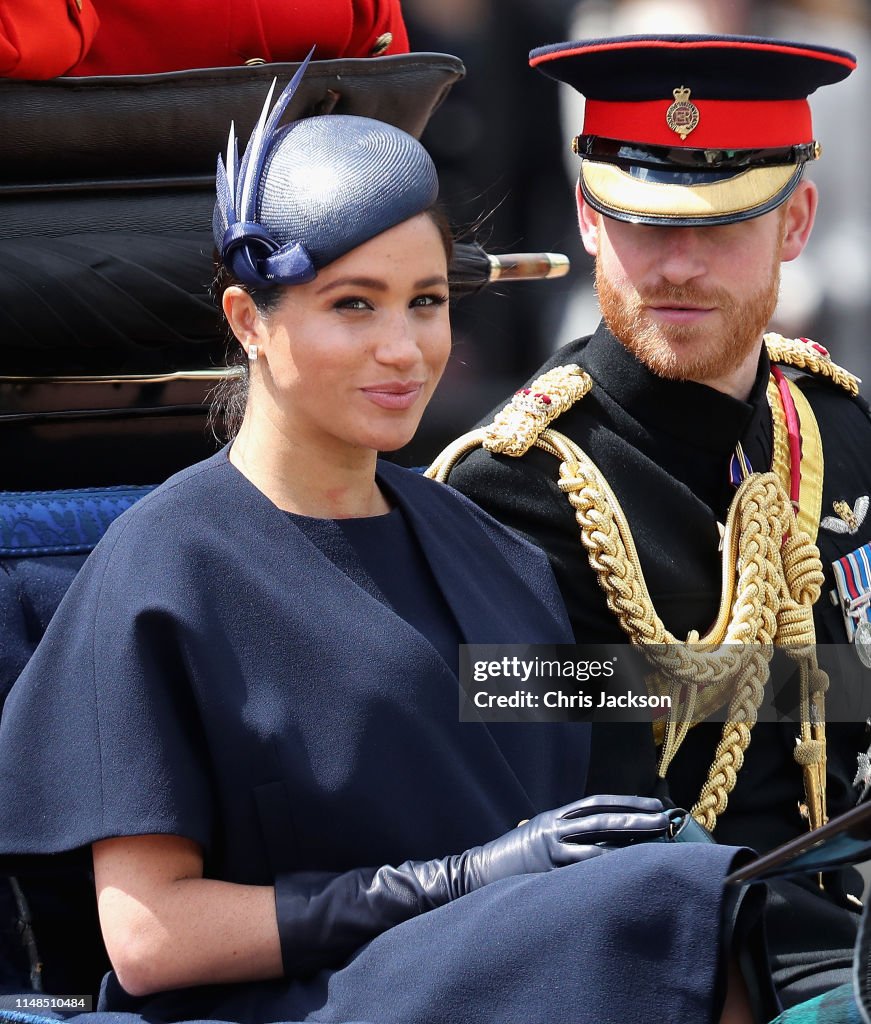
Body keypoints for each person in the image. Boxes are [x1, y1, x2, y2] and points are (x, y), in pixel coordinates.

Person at [0, 57, 772, 1024]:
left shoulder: (481, 548)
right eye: (352, 305)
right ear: (249, 319)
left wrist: (828, 686)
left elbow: (627, 688)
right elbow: (152, 939)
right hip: (302, 1002)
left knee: (744, 909)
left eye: (426, 302)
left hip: (516, 972)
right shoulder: (167, 567)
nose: (403, 349)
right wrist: (450, 882)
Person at [437, 32, 871, 1011]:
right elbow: (566, 819)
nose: (677, 264)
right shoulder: (511, 489)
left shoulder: (840, 432)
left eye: (721, 225)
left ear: (796, 221)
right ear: (588, 217)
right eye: (641, 221)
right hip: (659, 968)